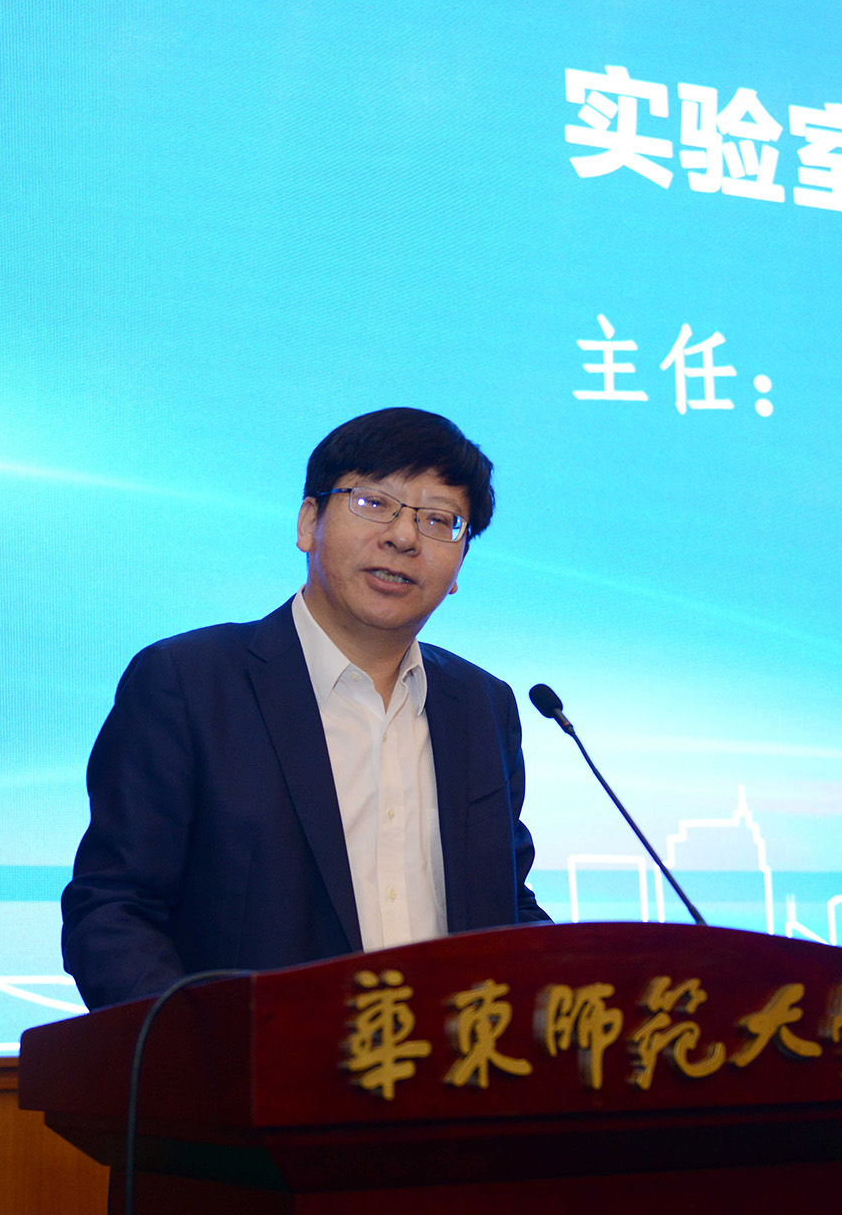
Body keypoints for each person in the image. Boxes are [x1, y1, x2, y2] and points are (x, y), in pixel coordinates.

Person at [61, 407, 549, 1011]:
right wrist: (201, 1049)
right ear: (308, 522)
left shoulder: (482, 706)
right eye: (374, 503)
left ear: (459, 567)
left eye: (438, 520)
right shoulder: (188, 683)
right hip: (254, 1065)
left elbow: (506, 905)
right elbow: (114, 910)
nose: (403, 537)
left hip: (450, 1064)